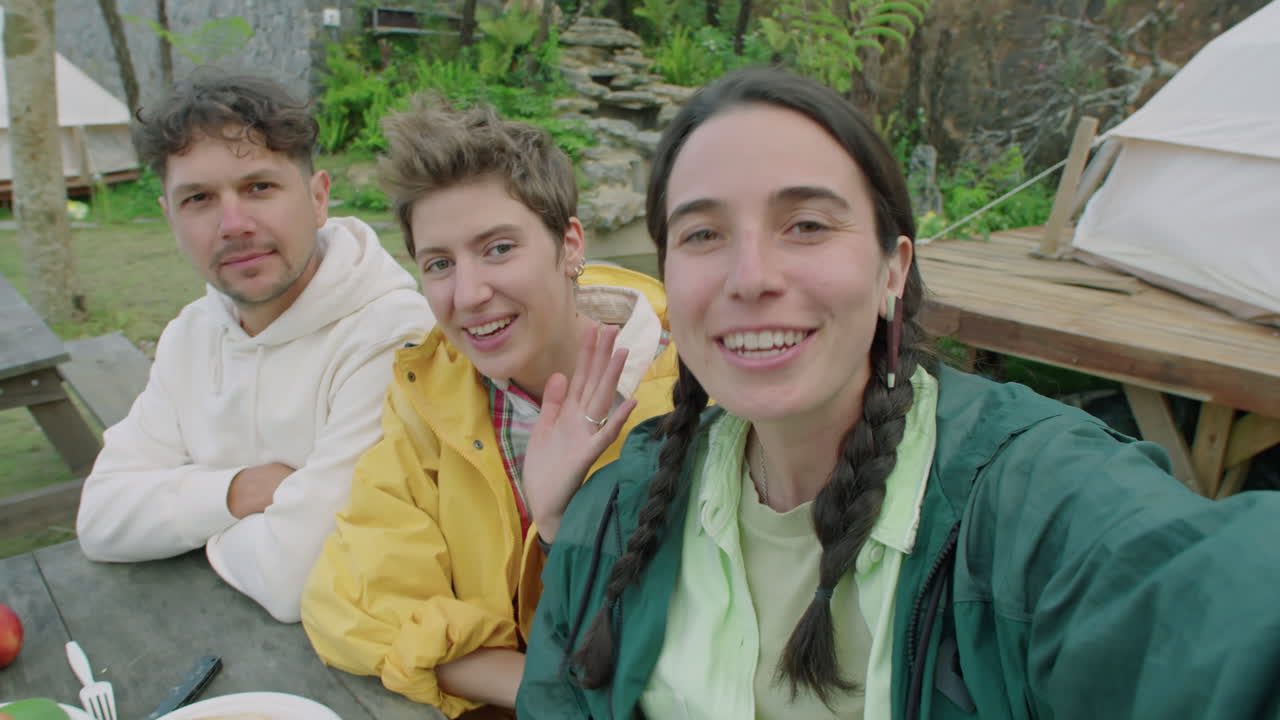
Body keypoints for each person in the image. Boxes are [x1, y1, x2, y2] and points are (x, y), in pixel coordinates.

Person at [517, 67, 1280, 719]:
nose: (750, 277)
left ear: (892, 270)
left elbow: (1221, 612)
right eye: (703, 235)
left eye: (807, 224)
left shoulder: (1028, 504)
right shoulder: (619, 517)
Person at [300, 96, 679, 718]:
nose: (469, 294)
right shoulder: (433, 394)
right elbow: (348, 598)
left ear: (570, 244)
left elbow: (677, 650)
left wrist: (566, 520)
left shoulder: (689, 392)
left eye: (499, 248)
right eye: (440, 264)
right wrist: (534, 688)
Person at [75, 70, 433, 624]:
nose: (233, 224)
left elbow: (300, 578)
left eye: (258, 187)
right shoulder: (191, 335)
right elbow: (100, 519)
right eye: (199, 199)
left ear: (318, 199)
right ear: (170, 218)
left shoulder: (392, 337)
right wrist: (239, 494)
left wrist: (192, 527)